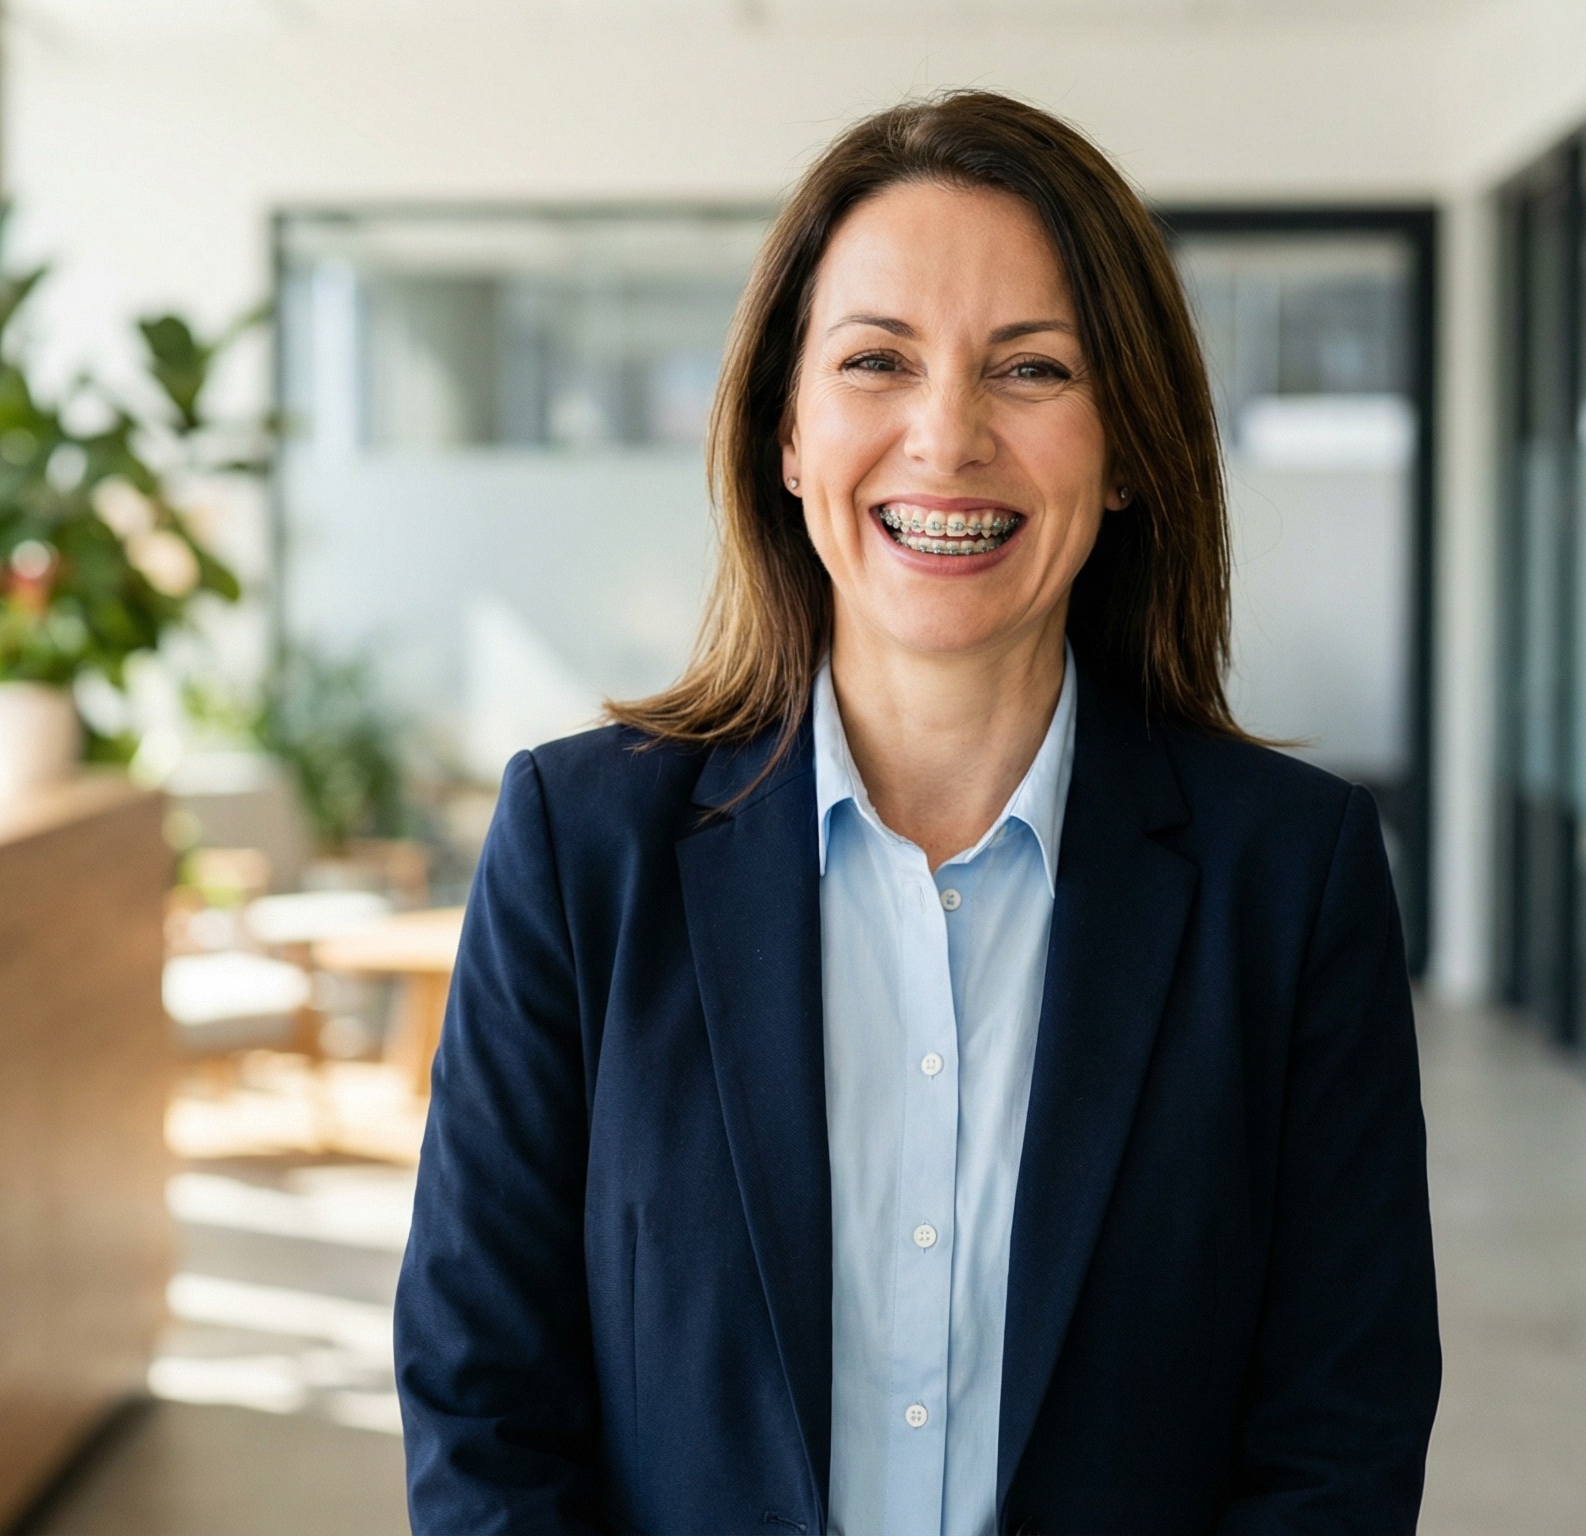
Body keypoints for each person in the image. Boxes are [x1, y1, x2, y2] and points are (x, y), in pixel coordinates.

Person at [395, 89, 1438, 1536]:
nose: (945, 440)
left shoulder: (1294, 876)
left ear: (1129, 447)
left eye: (1032, 370)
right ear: (784, 433)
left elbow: (1342, 1429)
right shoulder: (580, 850)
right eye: (877, 361)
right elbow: (482, 1400)